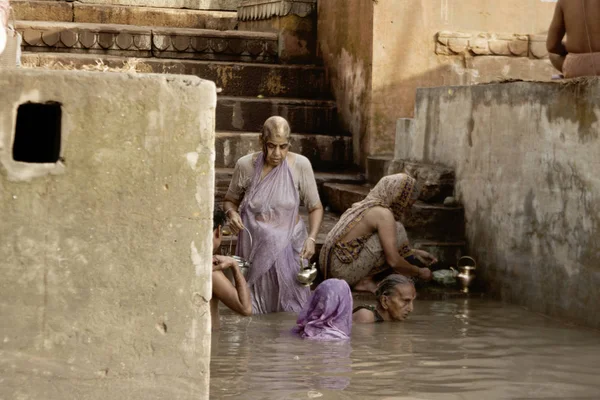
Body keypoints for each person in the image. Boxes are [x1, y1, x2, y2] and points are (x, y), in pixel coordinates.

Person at [223, 116, 324, 314]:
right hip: (254, 248)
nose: (277, 153)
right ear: (261, 141)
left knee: (293, 312)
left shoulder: (300, 165)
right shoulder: (245, 165)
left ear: (289, 144)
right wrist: (231, 214)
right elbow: (230, 201)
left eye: (283, 146)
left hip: (290, 247)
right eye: (271, 146)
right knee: (252, 310)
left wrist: (312, 238)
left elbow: (315, 207)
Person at [319, 173, 435, 294]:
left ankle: (364, 278)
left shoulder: (366, 204)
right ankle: (365, 281)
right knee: (398, 229)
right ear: (399, 197)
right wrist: (420, 272)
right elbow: (394, 261)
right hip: (342, 273)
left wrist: (415, 252)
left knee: (391, 233)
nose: (406, 209)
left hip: (327, 268)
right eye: (407, 204)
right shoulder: (384, 214)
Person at [211, 208, 252, 330]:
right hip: (208, 343)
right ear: (218, 231)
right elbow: (245, 308)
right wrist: (234, 265)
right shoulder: (212, 270)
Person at [547, 0, 600, 78]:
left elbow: (552, 46)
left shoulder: (563, 1)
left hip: (574, 68)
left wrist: (572, 49)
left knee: (552, 55)